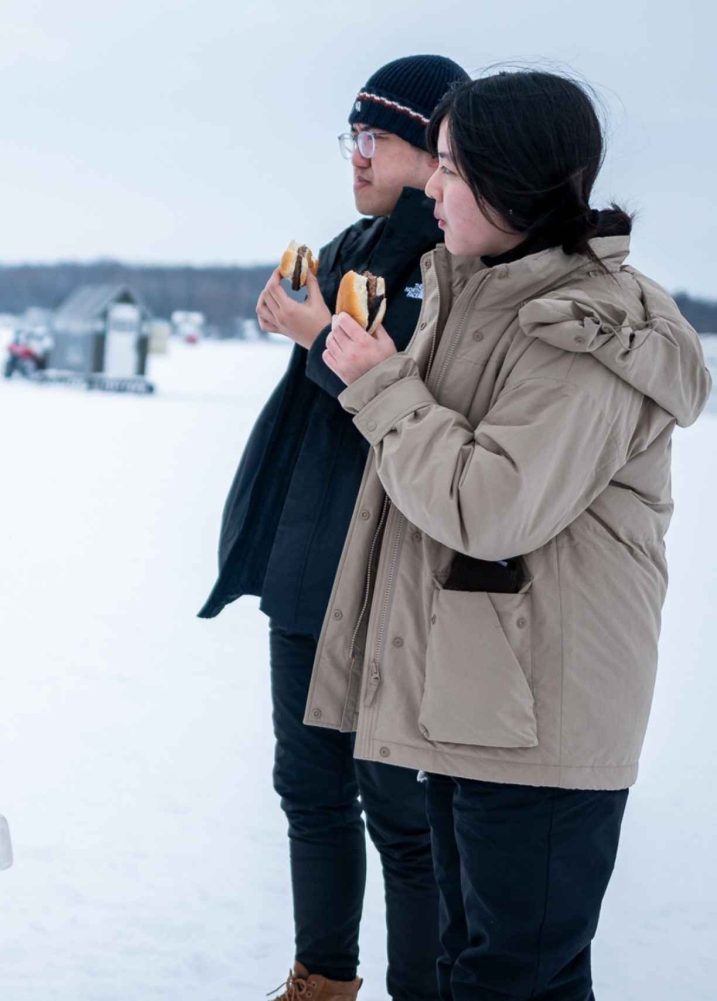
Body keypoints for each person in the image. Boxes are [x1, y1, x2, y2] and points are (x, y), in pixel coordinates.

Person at [312, 69, 711, 1000]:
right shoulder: (475, 293)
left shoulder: (591, 327)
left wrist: (377, 384)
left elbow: (489, 506)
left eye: (449, 167)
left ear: (510, 179)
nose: (432, 187)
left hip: (542, 709)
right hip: (479, 700)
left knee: (515, 980)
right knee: (472, 968)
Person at [199, 55, 469, 1000]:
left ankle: (420, 988)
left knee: (402, 812)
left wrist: (316, 336)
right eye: (352, 137)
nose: (357, 156)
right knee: (308, 790)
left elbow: (413, 401)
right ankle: (321, 979)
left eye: (377, 138)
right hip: (308, 566)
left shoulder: (451, 261)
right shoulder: (353, 241)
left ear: (436, 149)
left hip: (390, 574)